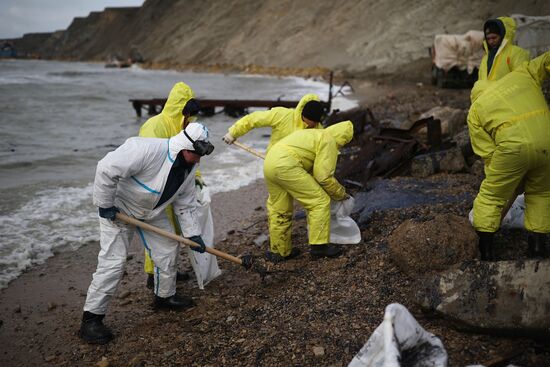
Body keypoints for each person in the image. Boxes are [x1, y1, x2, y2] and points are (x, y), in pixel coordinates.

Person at [79, 122, 215, 344]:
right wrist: (104, 204)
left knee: (167, 250)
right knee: (113, 263)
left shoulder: (189, 169)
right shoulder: (145, 149)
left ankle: (164, 297)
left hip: (153, 213)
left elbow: (185, 203)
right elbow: (106, 168)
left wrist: (192, 234)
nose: (199, 159)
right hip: (119, 210)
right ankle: (91, 319)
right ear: (184, 147)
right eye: (196, 154)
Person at [468, 51, 550, 260]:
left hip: (513, 146)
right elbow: (545, 61)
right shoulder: (522, 74)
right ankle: (538, 249)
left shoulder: (476, 109)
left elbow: (487, 152)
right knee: (541, 194)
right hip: (547, 141)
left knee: (492, 195)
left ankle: (485, 251)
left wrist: (506, 180)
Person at [139, 82, 216, 289]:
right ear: (179, 108)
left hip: (174, 188)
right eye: (187, 113)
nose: (190, 118)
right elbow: (148, 163)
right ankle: (153, 274)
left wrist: (197, 179)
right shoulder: (155, 126)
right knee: (159, 233)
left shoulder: (185, 127)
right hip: (155, 190)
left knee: (174, 230)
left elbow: (191, 158)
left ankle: (166, 271)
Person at [263, 120, 354, 262]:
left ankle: (280, 251)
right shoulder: (328, 140)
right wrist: (341, 194)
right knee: (320, 201)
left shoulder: (314, 134)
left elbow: (310, 167)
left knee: (279, 208)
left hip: (270, 161)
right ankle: (319, 247)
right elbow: (323, 177)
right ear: (343, 138)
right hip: (286, 165)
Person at [222, 94, 324, 151]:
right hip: (274, 163)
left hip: (299, 170)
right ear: (304, 114)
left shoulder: (319, 130)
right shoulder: (282, 115)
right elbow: (254, 119)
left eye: (316, 122)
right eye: (312, 121)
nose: (314, 124)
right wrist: (233, 133)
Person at [478, 16, 530, 81]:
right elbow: (480, 81)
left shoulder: (517, 53)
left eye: (494, 38)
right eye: (488, 39)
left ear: (502, 36)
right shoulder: (485, 59)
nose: (491, 41)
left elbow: (521, 79)